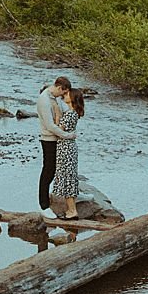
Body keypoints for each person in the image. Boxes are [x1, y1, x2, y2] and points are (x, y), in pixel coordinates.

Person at [36, 75, 75, 219]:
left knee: (58, 169)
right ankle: (44, 206)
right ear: (59, 88)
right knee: (48, 171)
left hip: (56, 139)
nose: (64, 95)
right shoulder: (44, 100)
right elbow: (50, 125)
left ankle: (60, 197)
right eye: (63, 93)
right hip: (48, 139)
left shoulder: (53, 97)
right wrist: (68, 135)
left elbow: (63, 111)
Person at [52, 87, 86, 219]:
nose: (64, 96)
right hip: (68, 147)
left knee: (67, 179)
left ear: (72, 98)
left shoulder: (70, 114)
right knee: (69, 177)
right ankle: (70, 210)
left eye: (67, 94)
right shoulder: (73, 113)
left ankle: (72, 211)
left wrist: (55, 116)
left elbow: (58, 129)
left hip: (66, 148)